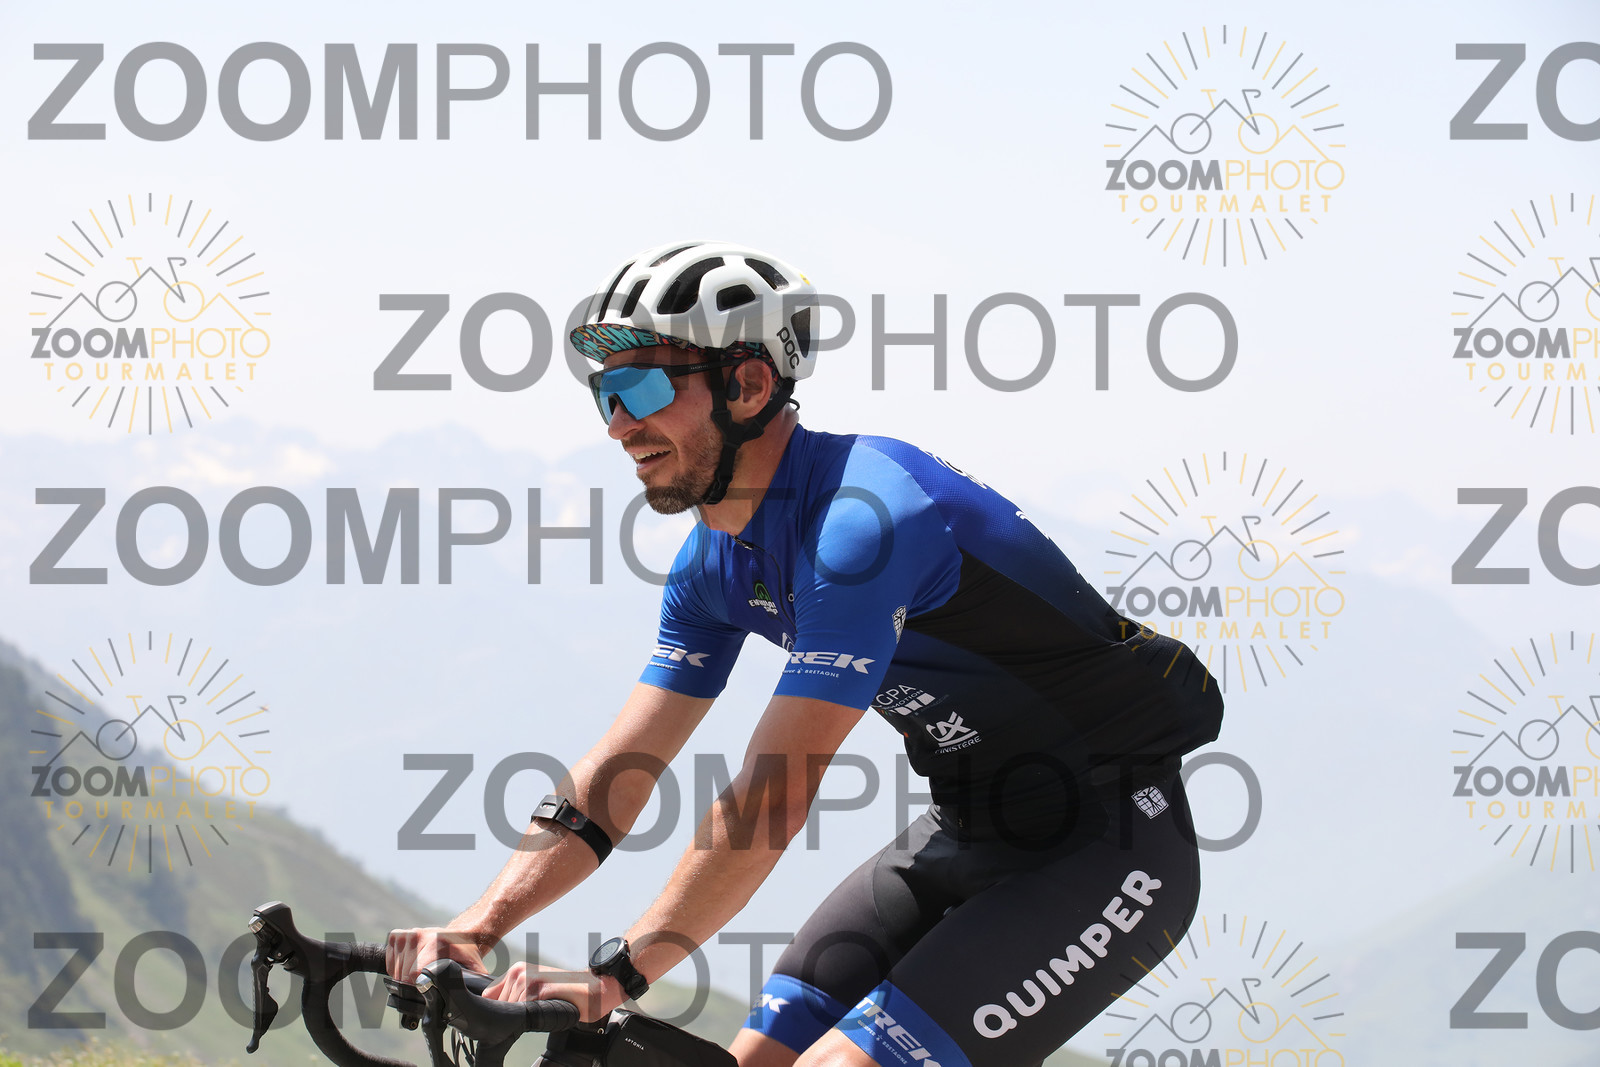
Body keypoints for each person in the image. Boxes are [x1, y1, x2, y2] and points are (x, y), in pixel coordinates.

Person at [387, 241, 1224, 1067]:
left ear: (749, 385)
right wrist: (478, 927)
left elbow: (772, 797)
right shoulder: (710, 565)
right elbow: (620, 771)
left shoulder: (863, 526)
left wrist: (616, 976)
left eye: (642, 386)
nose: (618, 424)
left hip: (1107, 844)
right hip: (963, 827)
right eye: (605, 392)